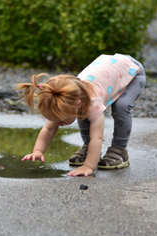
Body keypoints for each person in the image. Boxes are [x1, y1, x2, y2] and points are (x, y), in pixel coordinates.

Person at [17, 53, 146, 177]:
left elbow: (97, 138)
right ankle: (87, 146)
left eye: (61, 120)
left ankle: (119, 150)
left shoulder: (92, 102)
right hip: (112, 68)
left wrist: (88, 166)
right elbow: (48, 128)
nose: (58, 124)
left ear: (78, 103)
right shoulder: (69, 98)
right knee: (83, 113)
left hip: (132, 73)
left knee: (121, 106)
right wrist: (38, 151)